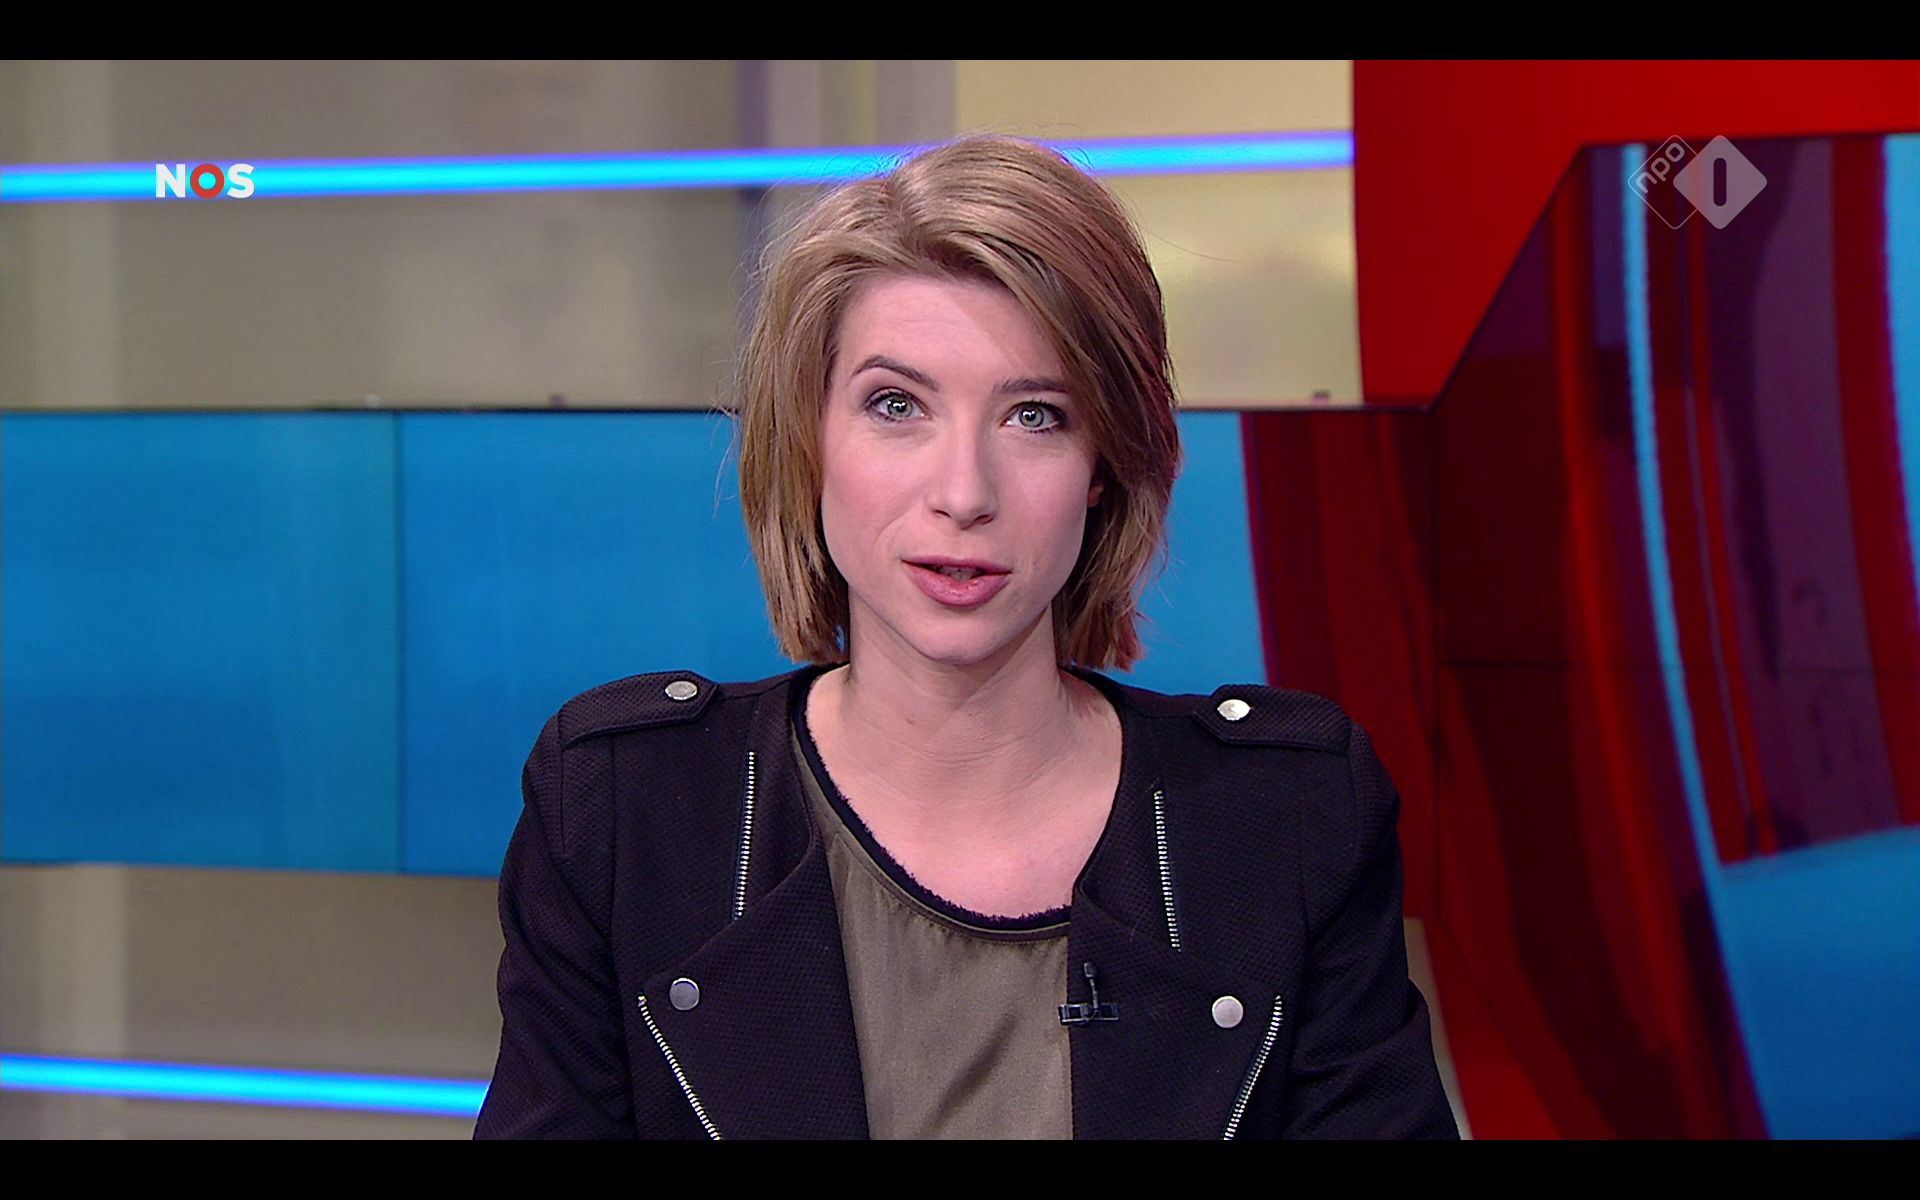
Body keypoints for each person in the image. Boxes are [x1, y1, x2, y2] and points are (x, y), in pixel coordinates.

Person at [474, 133, 1459, 1140]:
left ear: (1106, 463)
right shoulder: (624, 810)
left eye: (1035, 415)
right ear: (810, 441)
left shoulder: (1287, 818)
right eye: (896, 405)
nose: (963, 492)